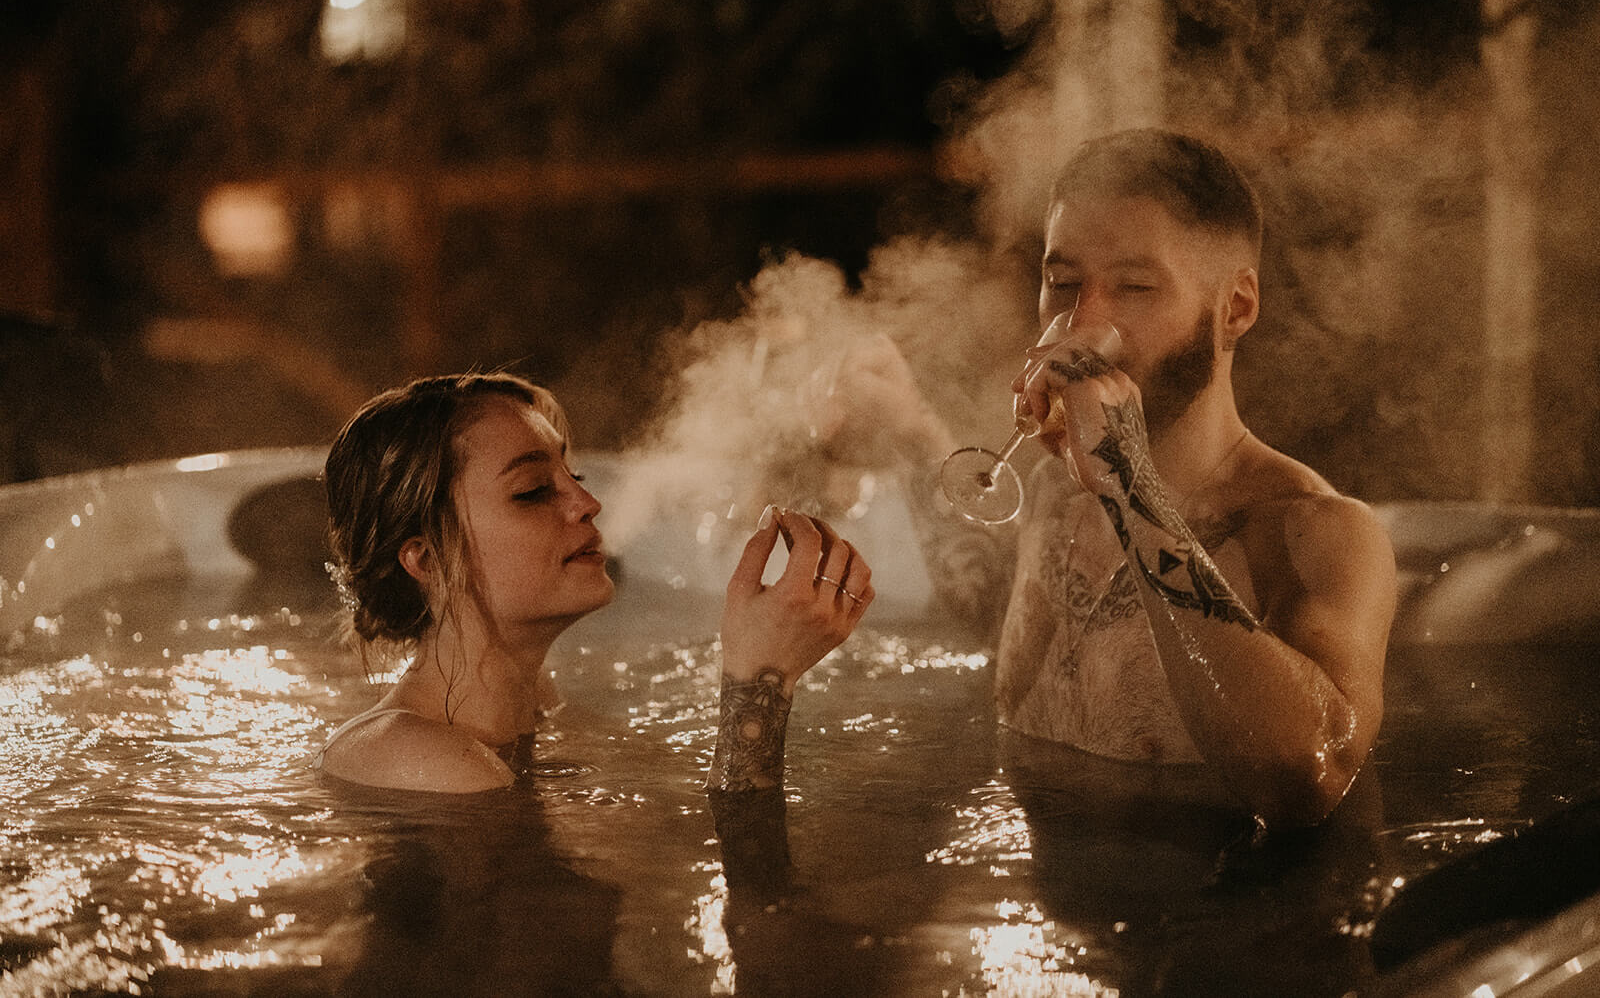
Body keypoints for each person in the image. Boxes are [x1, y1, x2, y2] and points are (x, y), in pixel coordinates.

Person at [816, 128, 1396, 827]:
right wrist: (913, 436)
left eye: (1135, 286)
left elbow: (1309, 775)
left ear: (1236, 307)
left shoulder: (1317, 530)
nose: (1082, 320)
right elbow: (1001, 620)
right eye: (1062, 284)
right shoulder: (1061, 496)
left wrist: (1129, 482)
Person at [315, 371, 874, 793]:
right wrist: (759, 685)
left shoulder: (536, 704)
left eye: (573, 476)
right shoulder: (422, 756)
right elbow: (741, 870)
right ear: (427, 559)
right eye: (533, 490)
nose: (587, 503)